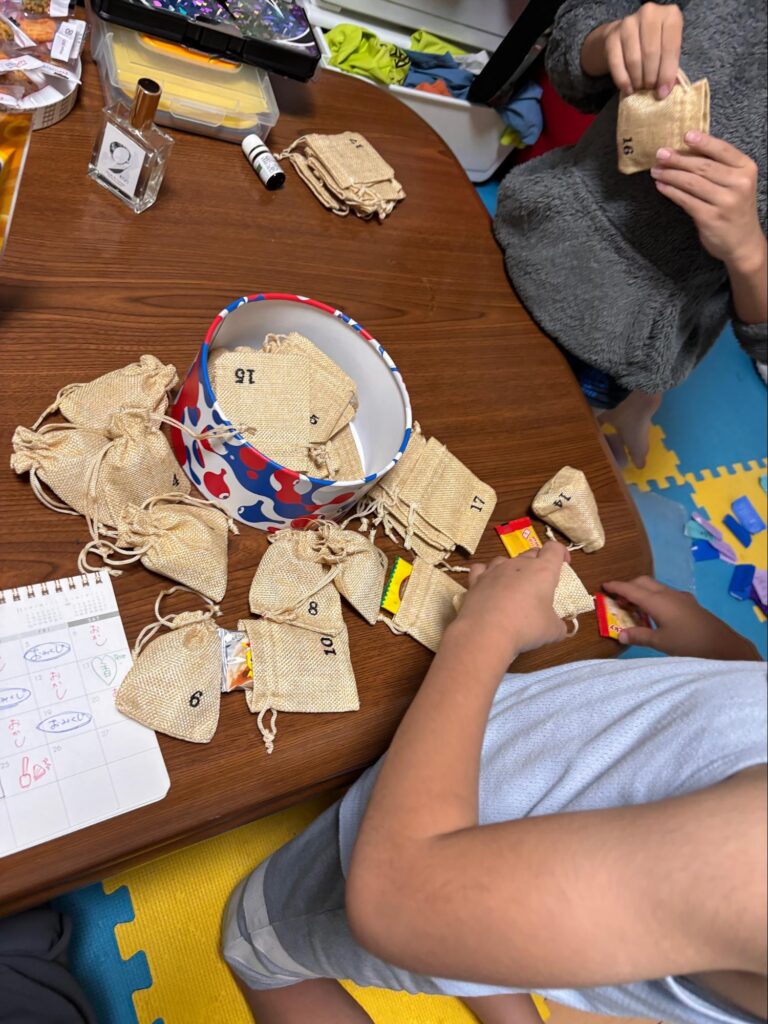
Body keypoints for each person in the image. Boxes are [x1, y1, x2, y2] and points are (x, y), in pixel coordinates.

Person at [221, 542, 767, 1024]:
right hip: (515, 861)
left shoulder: (747, 866)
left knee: (252, 942)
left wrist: (486, 629)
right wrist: (734, 661)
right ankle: (491, 961)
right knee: (496, 932)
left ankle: (473, 956)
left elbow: (403, 900)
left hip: (416, 872)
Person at [493, 1, 767, 468]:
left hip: (631, 340)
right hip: (533, 230)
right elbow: (569, 42)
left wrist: (749, 253)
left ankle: (636, 400)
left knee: (530, 446)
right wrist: (610, 39)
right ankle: (640, 401)